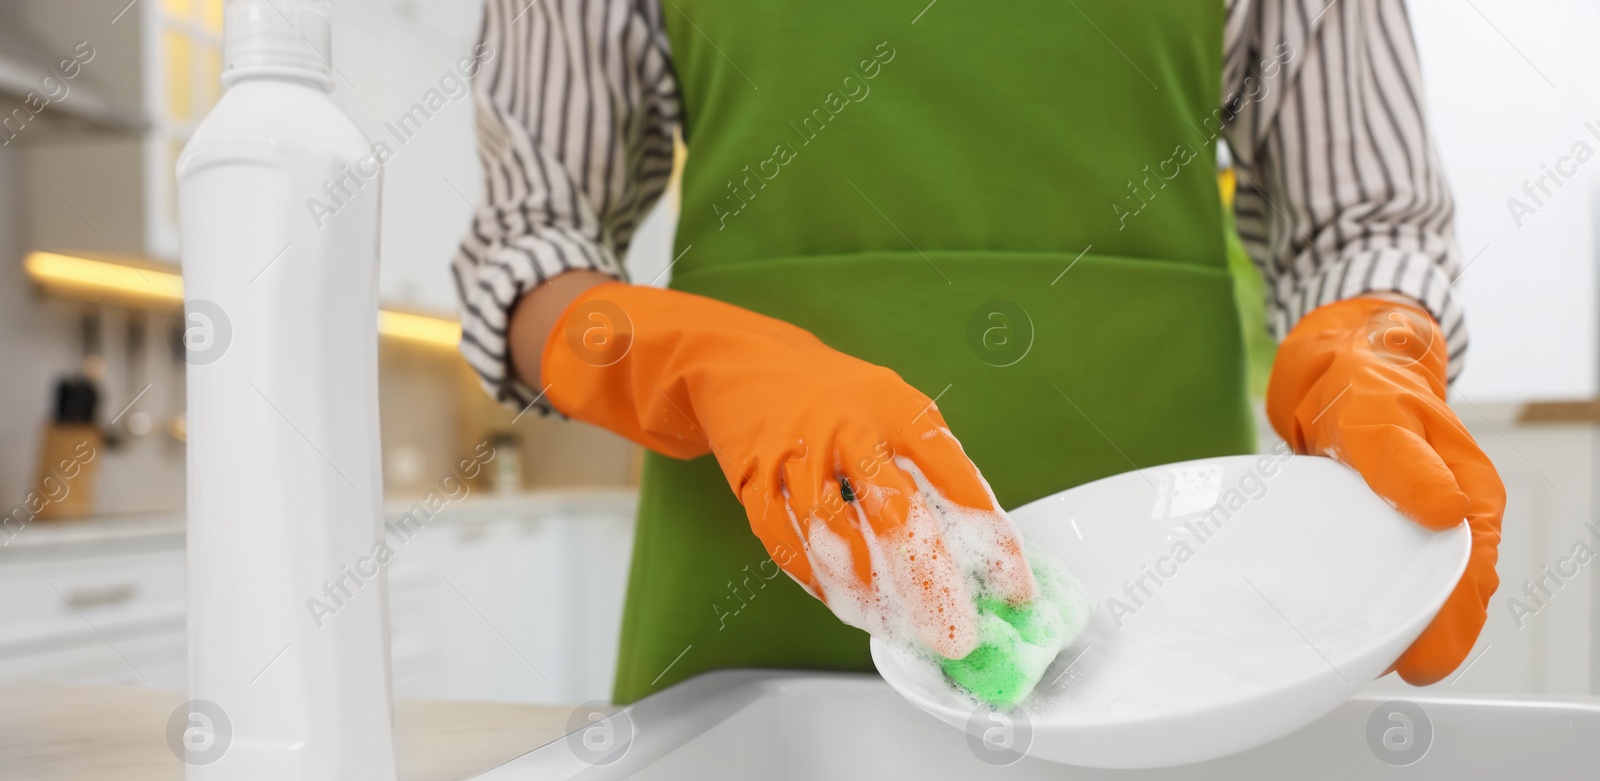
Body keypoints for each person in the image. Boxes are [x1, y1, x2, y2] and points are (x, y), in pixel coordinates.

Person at [452, 0, 1504, 705]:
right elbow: (528, 250)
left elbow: (1368, 225)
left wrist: (1371, 351)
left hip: (1166, 639)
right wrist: (694, 363)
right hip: (757, 628)